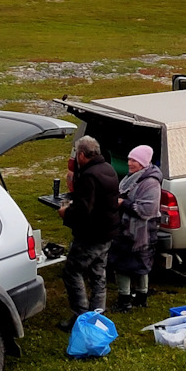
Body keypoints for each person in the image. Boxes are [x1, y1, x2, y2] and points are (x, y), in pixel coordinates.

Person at [58, 136, 119, 326]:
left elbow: (84, 210)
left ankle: (80, 316)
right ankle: (98, 315)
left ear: (82, 155)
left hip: (91, 234)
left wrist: (66, 213)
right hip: (108, 231)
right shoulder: (109, 169)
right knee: (98, 272)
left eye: (77, 154)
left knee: (72, 272)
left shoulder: (89, 176)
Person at [111, 144, 165, 311]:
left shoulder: (150, 183)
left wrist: (123, 203)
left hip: (140, 234)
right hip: (132, 230)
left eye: (133, 160)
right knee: (137, 265)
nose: (129, 162)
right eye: (129, 159)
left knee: (124, 266)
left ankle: (125, 301)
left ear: (143, 163)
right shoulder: (132, 177)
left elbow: (146, 210)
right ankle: (140, 297)